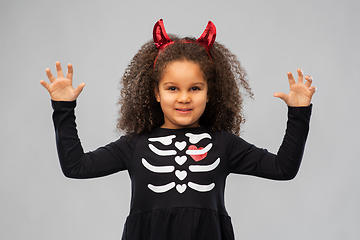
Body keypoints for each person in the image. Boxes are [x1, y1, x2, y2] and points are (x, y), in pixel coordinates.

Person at [40, 19, 316, 240]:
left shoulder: (224, 144)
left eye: (195, 88)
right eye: (172, 88)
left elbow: (283, 169)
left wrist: (299, 113)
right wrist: (63, 108)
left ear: (210, 94)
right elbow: (76, 166)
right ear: (156, 93)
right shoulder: (134, 145)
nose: (184, 98)